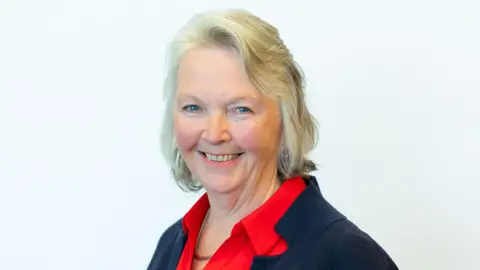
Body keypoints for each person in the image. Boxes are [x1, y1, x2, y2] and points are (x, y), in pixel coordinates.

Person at [147, 9, 398, 270]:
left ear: (285, 118)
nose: (213, 134)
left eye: (240, 109)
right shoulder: (171, 246)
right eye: (193, 108)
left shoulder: (346, 257)